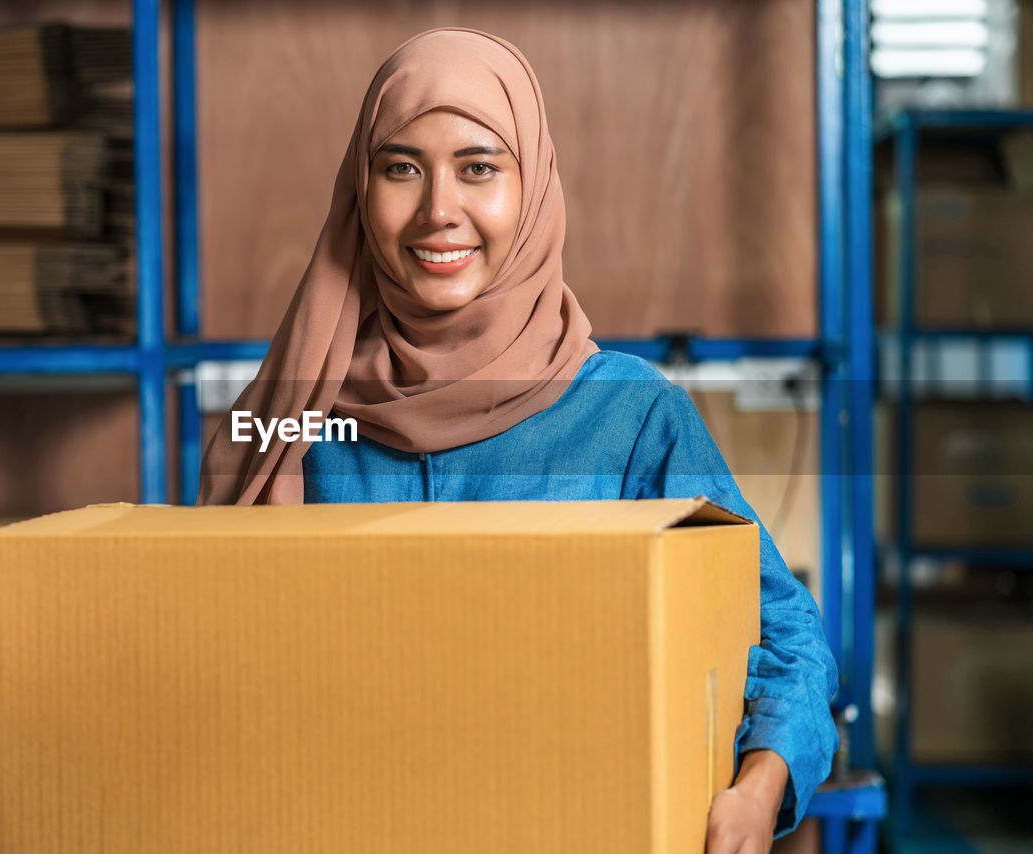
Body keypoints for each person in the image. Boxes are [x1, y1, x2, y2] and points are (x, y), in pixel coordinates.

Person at [200, 27, 838, 851]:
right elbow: (203, 639)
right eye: (401, 168)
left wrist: (757, 789)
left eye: (479, 168)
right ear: (360, 189)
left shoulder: (632, 417)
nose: (438, 209)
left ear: (532, 186)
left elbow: (783, 629)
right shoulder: (291, 418)